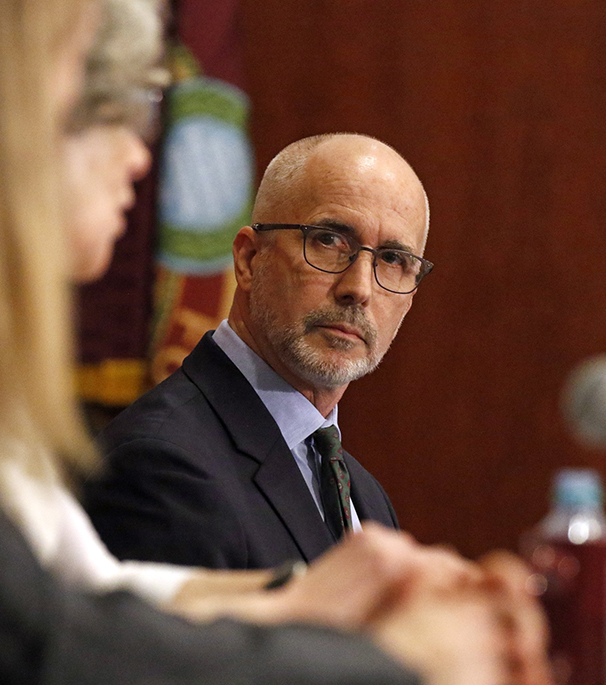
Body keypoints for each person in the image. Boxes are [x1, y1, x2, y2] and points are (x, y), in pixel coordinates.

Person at [0, 0, 546, 684]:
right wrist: (398, 663)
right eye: (104, 99)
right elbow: (33, 636)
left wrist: (330, 600)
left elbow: (80, 585)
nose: (141, 153)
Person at [85, 133, 431, 569]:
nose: (359, 288)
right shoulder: (161, 465)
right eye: (328, 240)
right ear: (249, 259)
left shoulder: (367, 498)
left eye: (393, 260)